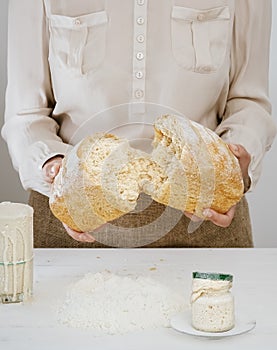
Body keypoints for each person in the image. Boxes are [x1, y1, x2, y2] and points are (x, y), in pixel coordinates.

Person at [2, 0, 276, 248]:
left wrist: (233, 160)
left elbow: (249, 99)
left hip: (206, 224)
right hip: (70, 227)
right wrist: (55, 168)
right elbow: (25, 114)